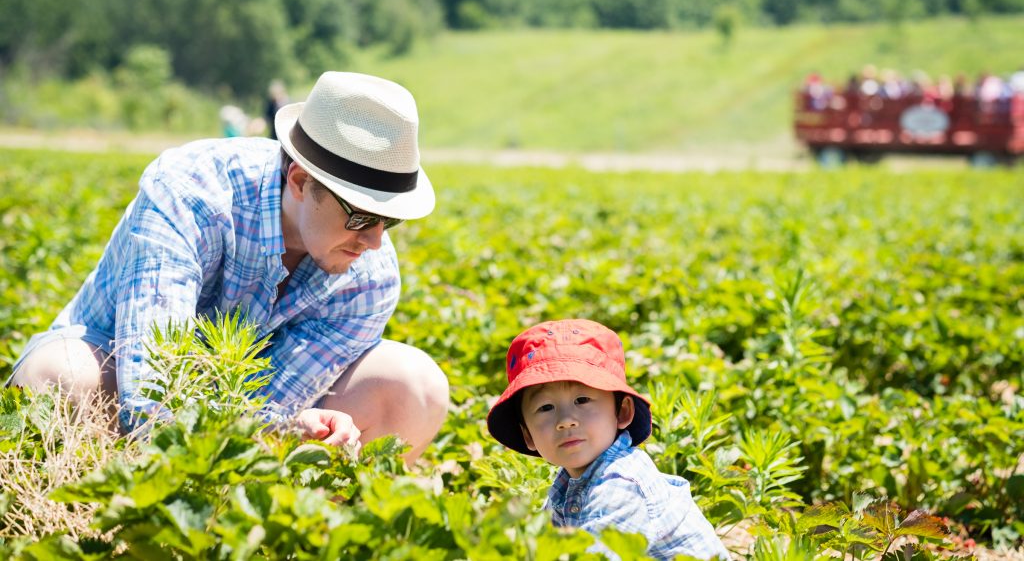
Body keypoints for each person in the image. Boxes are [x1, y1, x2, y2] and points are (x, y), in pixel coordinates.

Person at [7, 71, 448, 464]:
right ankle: (83, 522)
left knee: (415, 385)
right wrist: (255, 433)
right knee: (60, 374)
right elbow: (153, 387)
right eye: (360, 217)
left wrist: (290, 430)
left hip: (236, 416)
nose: (374, 242)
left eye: (390, 220)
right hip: (117, 378)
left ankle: (290, 540)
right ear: (299, 181)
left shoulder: (371, 275)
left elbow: (278, 400)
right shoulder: (191, 191)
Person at [486, 319, 728, 561]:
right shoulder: (566, 484)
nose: (566, 420)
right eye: (546, 407)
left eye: (582, 400)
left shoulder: (621, 483)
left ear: (621, 412)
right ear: (527, 434)